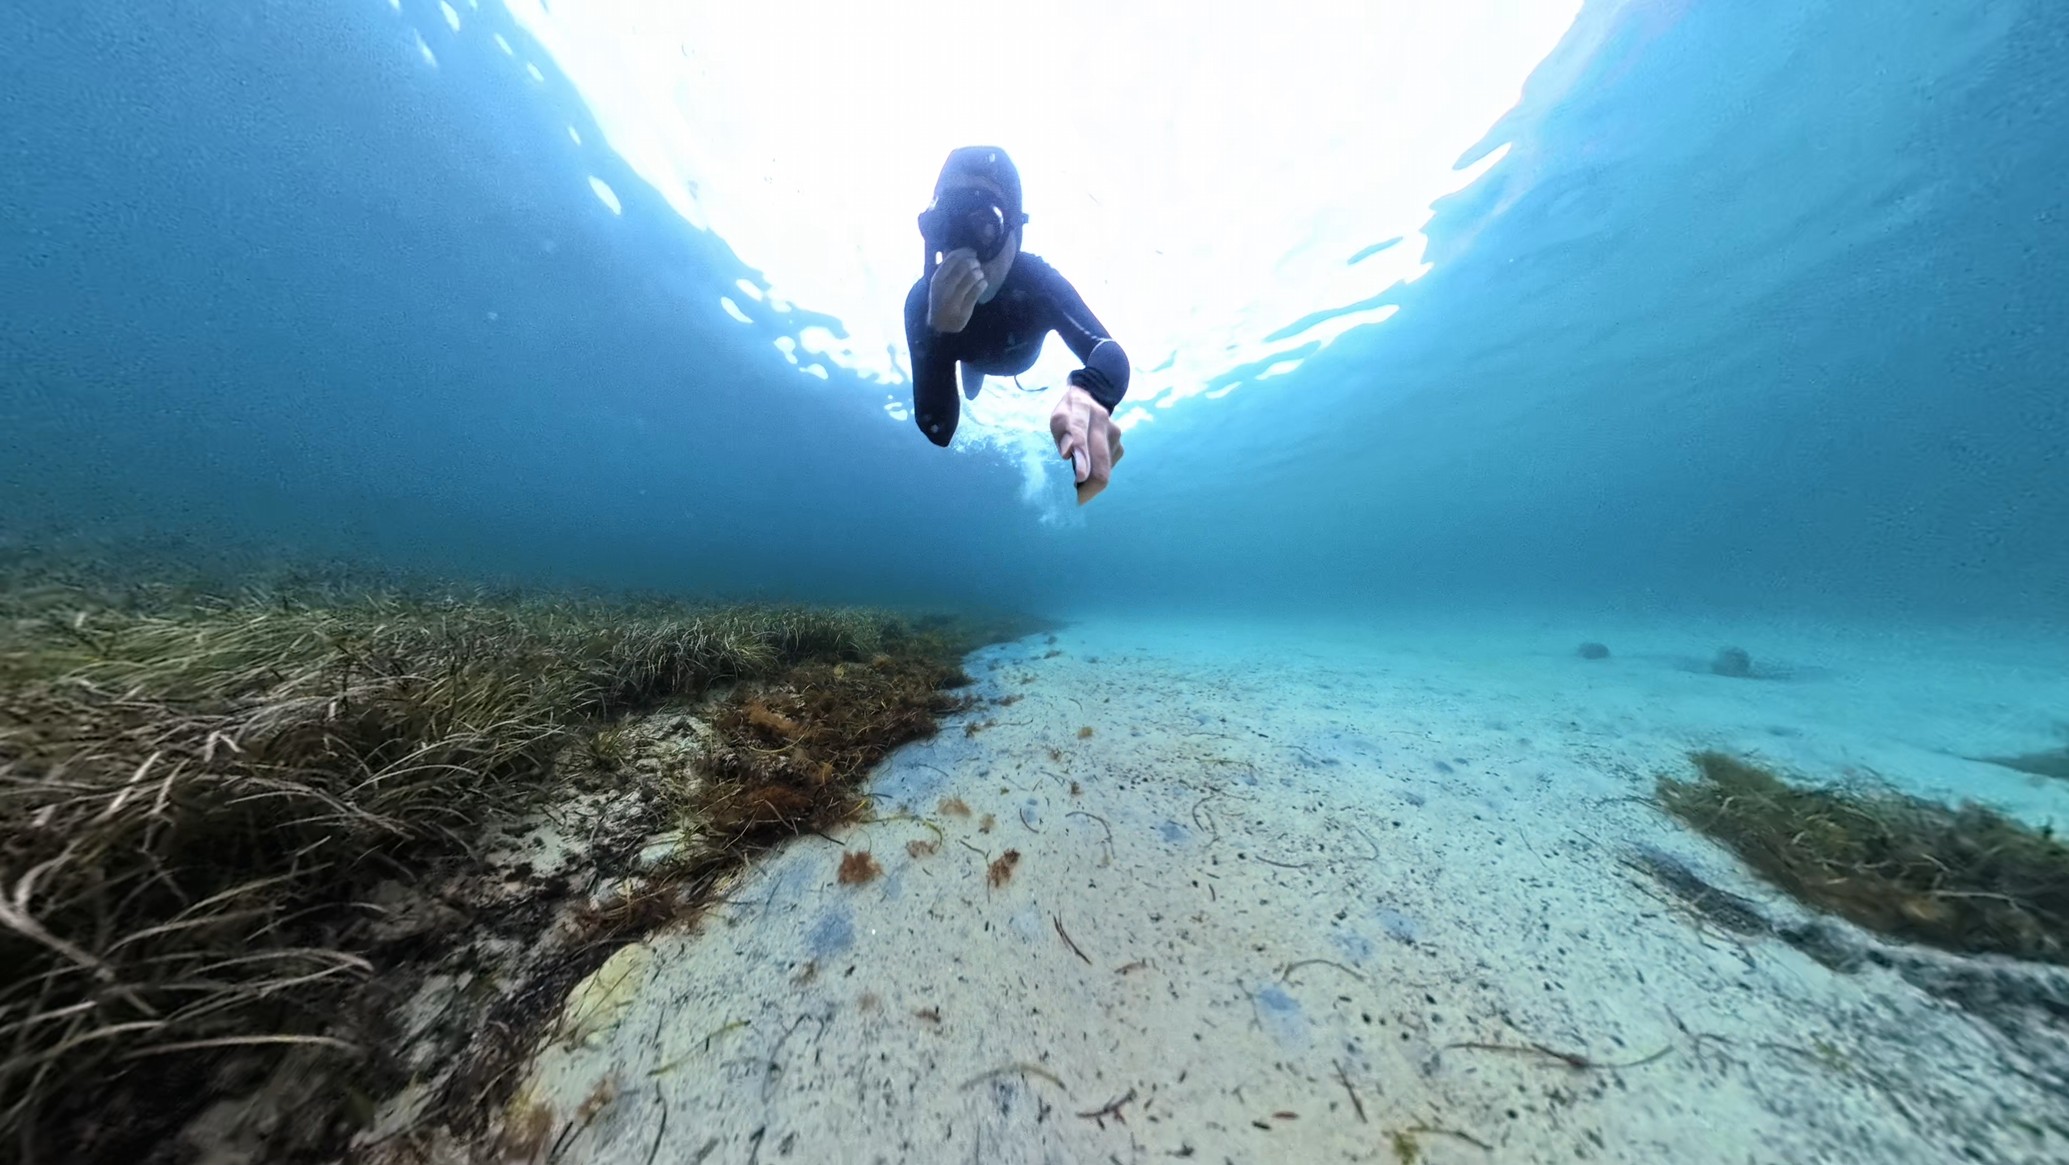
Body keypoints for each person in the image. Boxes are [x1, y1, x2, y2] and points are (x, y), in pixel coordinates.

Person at [904, 147, 1130, 504]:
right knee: (972, 386)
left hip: (1023, 357)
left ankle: (969, 369)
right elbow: (940, 429)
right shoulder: (923, 303)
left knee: (972, 375)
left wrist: (1091, 391)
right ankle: (970, 373)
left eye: (984, 226)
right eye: (948, 226)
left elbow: (1107, 351)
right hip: (971, 356)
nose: (964, 252)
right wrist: (938, 333)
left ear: (1014, 231)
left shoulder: (1036, 281)